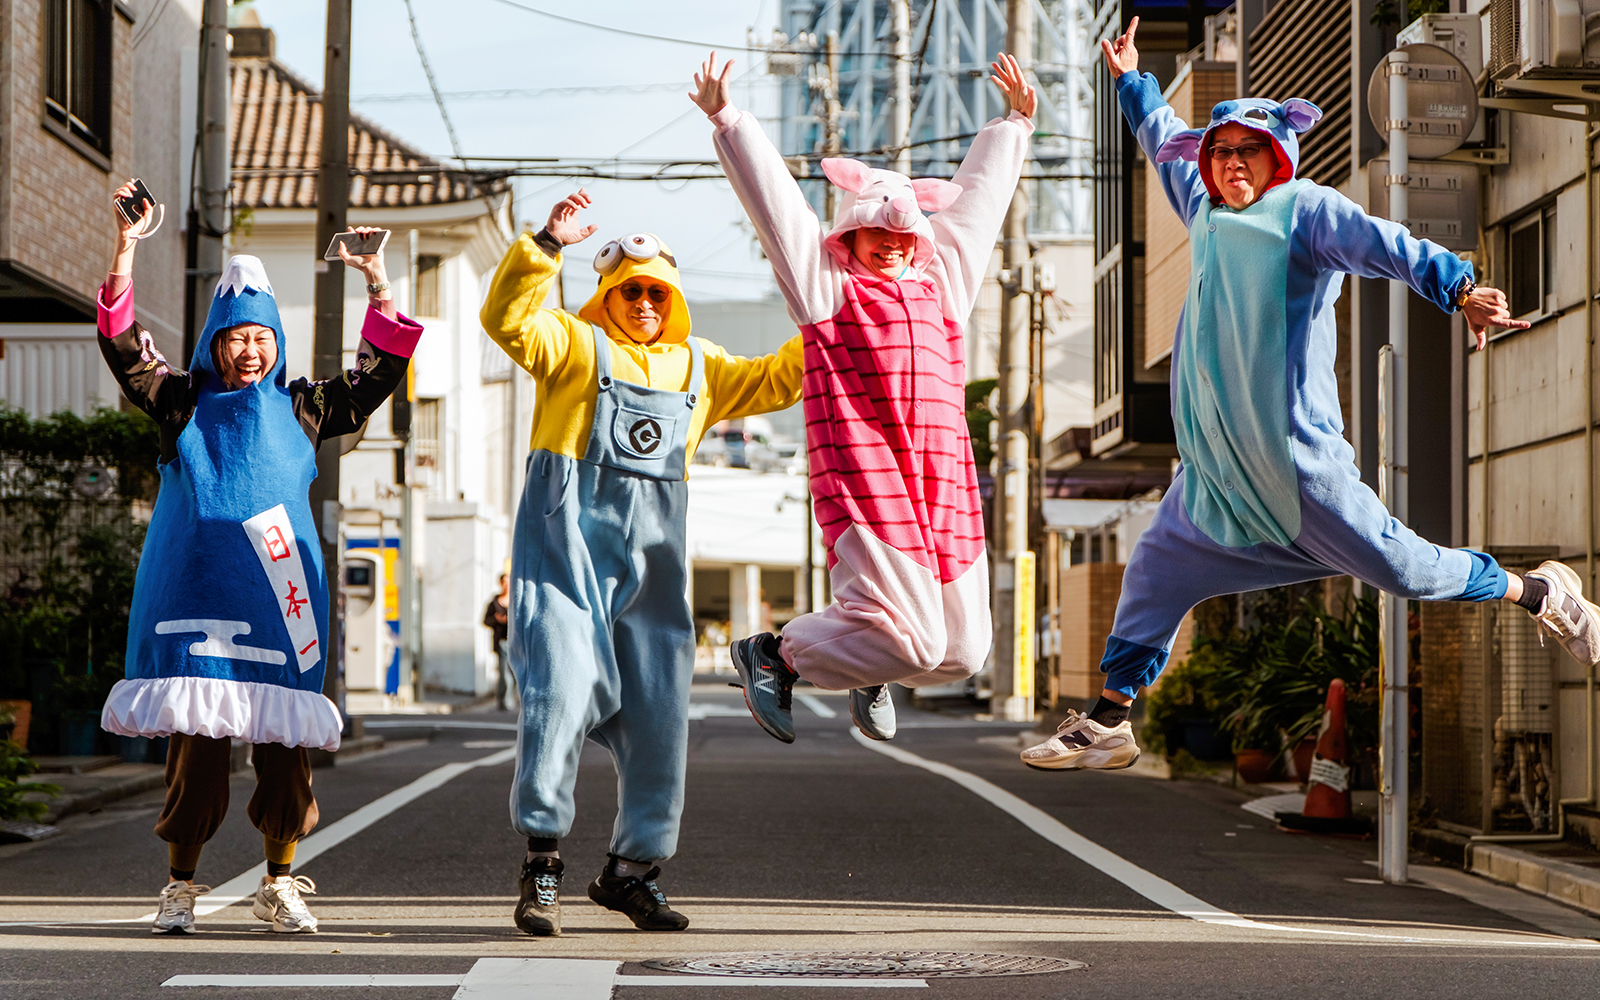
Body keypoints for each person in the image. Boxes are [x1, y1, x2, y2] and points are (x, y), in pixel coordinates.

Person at [1017, 20, 1596, 771]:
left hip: (1298, 472)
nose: (1228, 165)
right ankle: (1109, 719)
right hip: (1217, 480)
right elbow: (1162, 140)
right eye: (1219, 152)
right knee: (1153, 574)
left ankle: (1541, 593)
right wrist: (1134, 81)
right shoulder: (1203, 209)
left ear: (1275, 156)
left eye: (1245, 152)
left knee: (1410, 573)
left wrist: (1460, 290)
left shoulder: (1306, 212)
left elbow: (1390, 245)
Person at [96, 180, 422, 932]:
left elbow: (378, 376)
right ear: (216, 343)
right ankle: (181, 887)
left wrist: (376, 280)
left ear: (277, 343)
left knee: (285, 748)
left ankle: (279, 882)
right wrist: (124, 248)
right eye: (237, 337)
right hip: (198, 596)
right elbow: (121, 349)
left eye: (262, 338)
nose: (250, 351)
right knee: (197, 754)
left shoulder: (305, 405)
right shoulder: (179, 399)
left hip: (281, 599)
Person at [480, 190, 804, 936]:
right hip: (566, 565)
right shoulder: (571, 347)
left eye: (658, 292)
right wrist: (543, 247)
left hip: (655, 577)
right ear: (608, 294)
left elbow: (782, 378)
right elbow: (508, 321)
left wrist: (823, 309)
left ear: (676, 299)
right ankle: (543, 866)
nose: (646, 302)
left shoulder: (703, 367)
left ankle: (631, 873)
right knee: (557, 696)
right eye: (632, 291)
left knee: (662, 714)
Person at [689, 52, 1036, 744]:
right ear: (850, 233)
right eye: (875, 232)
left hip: (942, 481)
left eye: (903, 233)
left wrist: (1016, 126)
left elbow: (977, 209)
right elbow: (780, 212)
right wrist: (730, 120)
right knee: (912, 643)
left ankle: (862, 662)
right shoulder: (829, 290)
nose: (891, 244)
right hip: (867, 475)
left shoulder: (942, 289)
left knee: (961, 654)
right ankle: (776, 655)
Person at [482, 572, 511, 711]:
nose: (506, 585)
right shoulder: (494, 602)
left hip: (515, 643)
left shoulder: (516, 601)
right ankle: (504, 701)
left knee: (515, 674)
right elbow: (485, 620)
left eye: (508, 582)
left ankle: (507, 697)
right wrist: (497, 620)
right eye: (504, 582)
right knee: (504, 673)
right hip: (501, 642)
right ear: (500, 584)